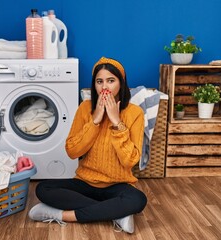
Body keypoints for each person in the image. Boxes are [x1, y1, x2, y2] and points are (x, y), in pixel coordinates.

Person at [28, 56, 147, 234]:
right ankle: (116, 213)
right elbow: (72, 151)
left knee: (138, 200)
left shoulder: (134, 113)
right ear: (94, 85)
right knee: (43, 188)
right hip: (85, 184)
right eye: (99, 81)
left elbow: (130, 161)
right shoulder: (85, 108)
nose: (104, 87)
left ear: (121, 84)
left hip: (117, 185)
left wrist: (116, 122)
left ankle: (62, 215)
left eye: (111, 81)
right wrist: (95, 120)